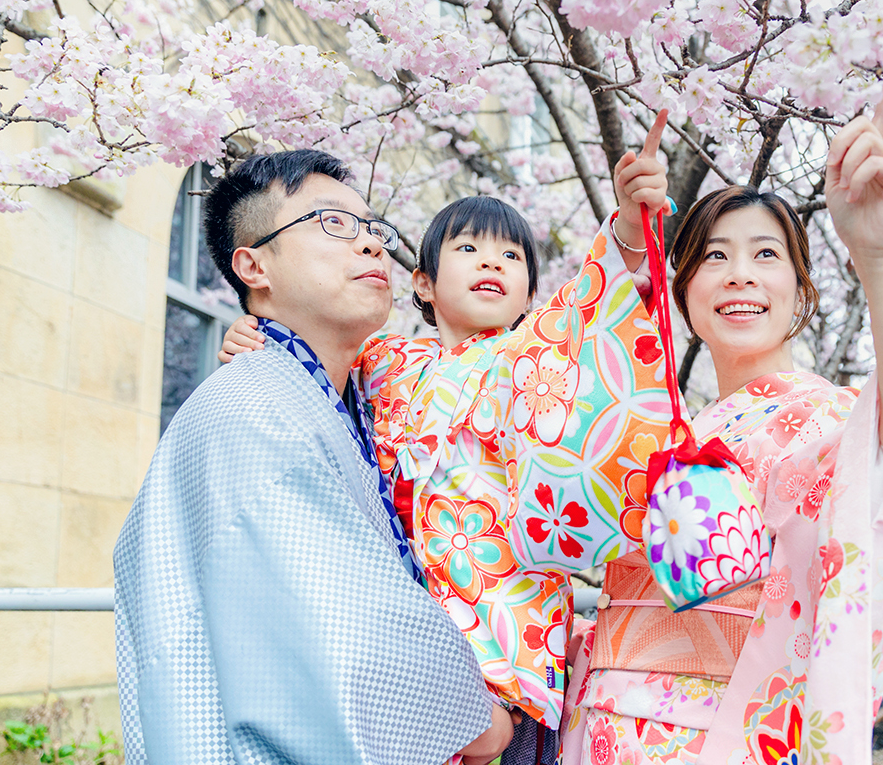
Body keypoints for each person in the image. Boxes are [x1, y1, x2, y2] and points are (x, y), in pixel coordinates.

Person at [554, 83, 883, 765]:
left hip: (719, 736)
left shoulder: (821, 420)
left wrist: (879, 257)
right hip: (600, 725)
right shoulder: (671, 428)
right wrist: (624, 236)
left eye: (765, 255)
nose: (738, 276)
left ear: (801, 290)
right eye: (714, 257)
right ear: (684, 287)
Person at [218, 122, 675, 763]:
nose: (493, 262)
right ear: (424, 285)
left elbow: (589, 310)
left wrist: (628, 226)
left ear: (528, 298)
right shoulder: (381, 359)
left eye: (512, 257)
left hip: (507, 628)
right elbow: (311, 357)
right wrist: (253, 333)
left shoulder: (532, 352)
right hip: (408, 634)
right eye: (467, 249)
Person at [113, 150, 512, 765]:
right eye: (333, 224)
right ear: (254, 265)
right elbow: (348, 630)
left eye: (373, 229)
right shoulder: (253, 408)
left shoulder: (345, 397)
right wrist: (476, 719)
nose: (370, 246)